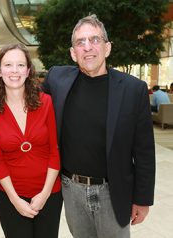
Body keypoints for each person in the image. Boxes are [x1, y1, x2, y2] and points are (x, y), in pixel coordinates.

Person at [42, 15, 155, 238]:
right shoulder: (57, 79)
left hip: (113, 192)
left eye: (94, 39)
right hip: (71, 190)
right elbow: (25, 98)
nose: (88, 47)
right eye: (80, 42)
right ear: (73, 53)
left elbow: (144, 151)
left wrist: (142, 199)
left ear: (107, 47)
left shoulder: (133, 89)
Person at [0, 43, 62, 238]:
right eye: (8, 65)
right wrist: (16, 200)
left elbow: (54, 150)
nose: (14, 71)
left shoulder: (46, 102)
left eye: (20, 65)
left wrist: (44, 195)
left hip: (49, 193)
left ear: (28, 71)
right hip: (11, 197)